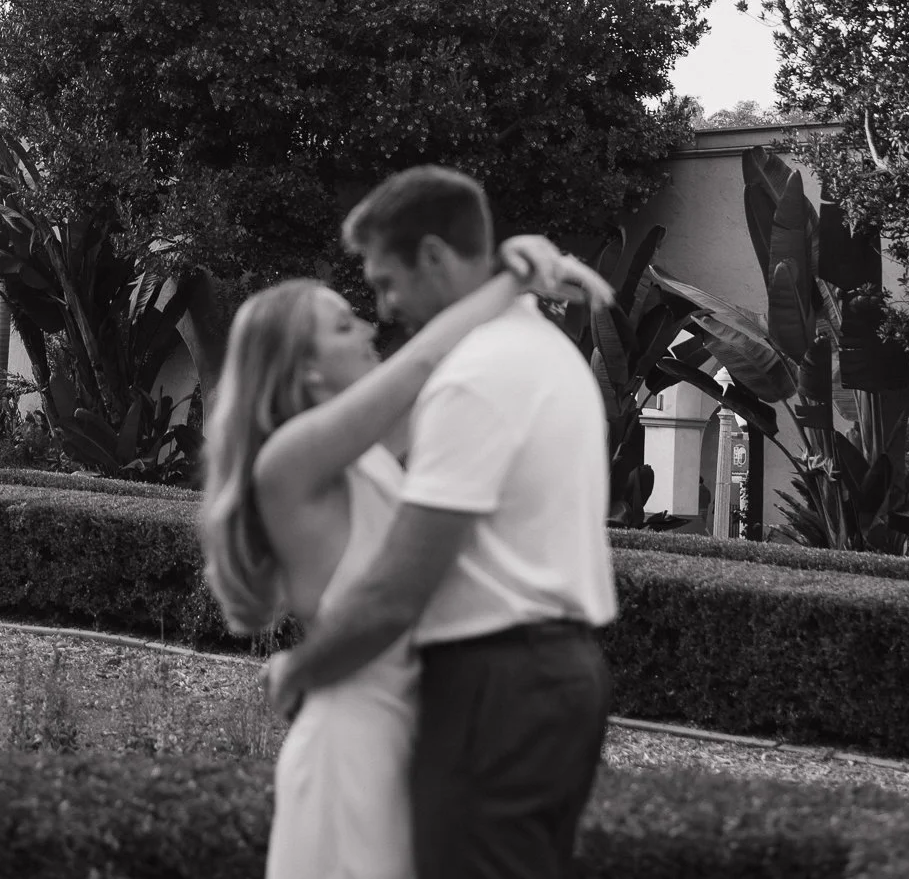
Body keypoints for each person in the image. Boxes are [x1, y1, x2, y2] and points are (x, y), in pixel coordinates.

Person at [200, 213, 613, 879]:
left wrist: (498, 269)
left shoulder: (362, 451)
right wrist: (507, 276)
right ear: (303, 372)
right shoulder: (292, 460)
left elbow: (438, 369)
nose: (369, 328)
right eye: (341, 325)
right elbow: (426, 358)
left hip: (410, 726)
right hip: (353, 737)